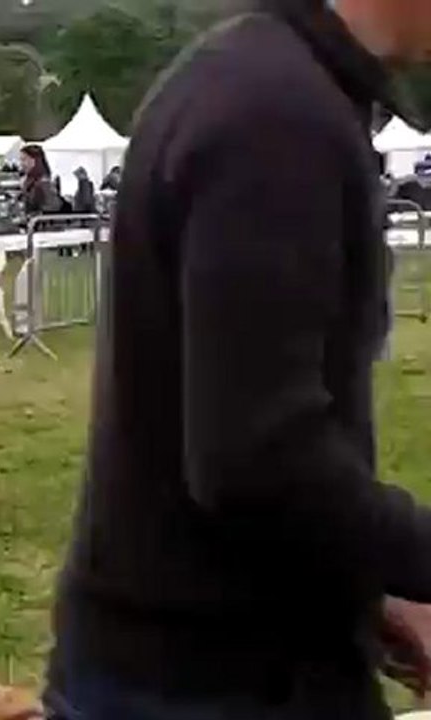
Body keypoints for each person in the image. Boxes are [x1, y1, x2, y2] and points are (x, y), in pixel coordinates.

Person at [45, 1, 431, 719]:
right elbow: (258, 458)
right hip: (208, 683)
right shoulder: (276, 118)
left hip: (195, 660)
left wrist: (365, 589)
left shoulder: (264, 81)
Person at [18, 145, 62, 218]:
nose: (21, 164)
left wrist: (33, 216)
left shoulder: (44, 183)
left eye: (24, 159)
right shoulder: (30, 180)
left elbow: (53, 208)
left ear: (34, 160)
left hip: (43, 225)